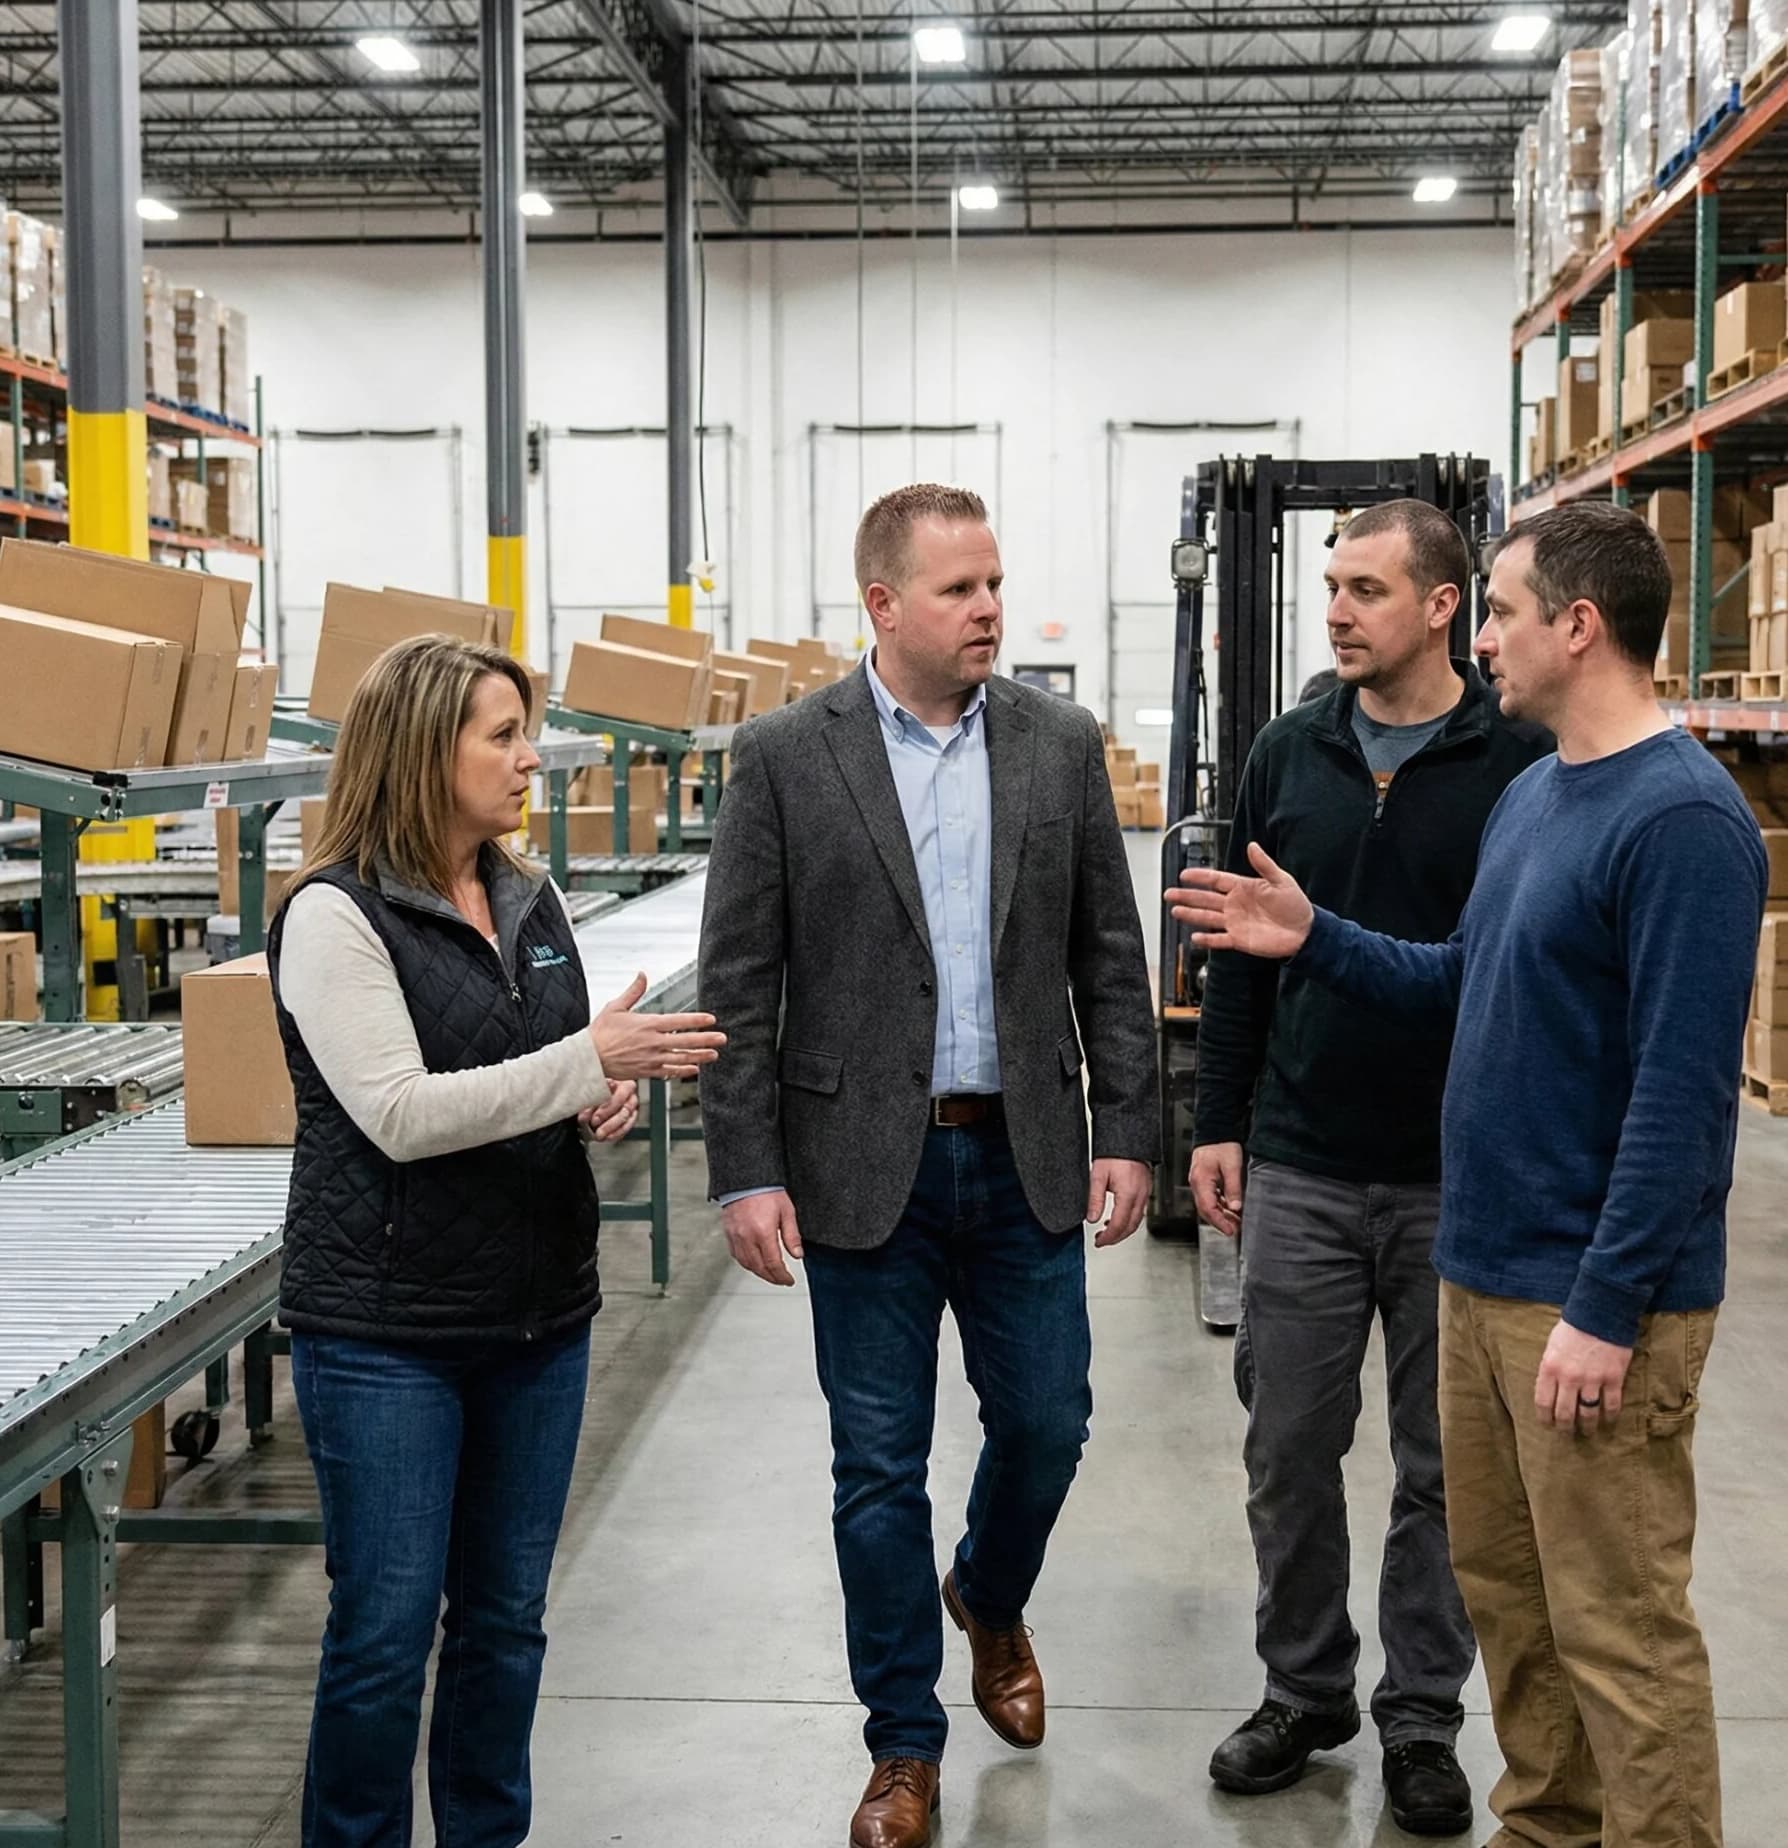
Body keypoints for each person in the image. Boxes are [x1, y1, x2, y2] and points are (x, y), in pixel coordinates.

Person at [1168, 500, 1765, 1848]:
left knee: (1617, 1628)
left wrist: (1607, 1307)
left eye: (1498, 609)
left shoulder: (1681, 823)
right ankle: (1547, 1826)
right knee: (1513, 1605)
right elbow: (1459, 982)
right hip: (1483, 1275)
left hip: (1587, 1300)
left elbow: (1681, 1106)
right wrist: (1314, 936)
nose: (1482, 634)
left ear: (1579, 625)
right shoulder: (1541, 792)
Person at [698, 484, 1159, 1848]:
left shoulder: (1059, 748)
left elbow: (1110, 964)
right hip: (858, 1174)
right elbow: (740, 978)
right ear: (884, 605)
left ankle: (990, 1592)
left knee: (1048, 1423)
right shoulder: (787, 755)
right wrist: (745, 1168)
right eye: (962, 590)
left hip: (1023, 1161)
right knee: (874, 1467)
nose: (991, 610)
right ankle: (903, 1744)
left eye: (998, 584)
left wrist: (1128, 1129)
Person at [267, 633, 727, 1848]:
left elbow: (536, 1070)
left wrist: (597, 1097)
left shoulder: (527, 895)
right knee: (384, 1631)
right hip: (386, 1332)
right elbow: (402, 1115)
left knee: (506, 1621)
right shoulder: (334, 914)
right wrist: (587, 1060)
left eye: (527, 733)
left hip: (536, 1313)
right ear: (427, 749)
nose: (531, 760)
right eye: (502, 736)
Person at [1191, 501, 1550, 1833]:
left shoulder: (1515, 756)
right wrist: (1217, 1122)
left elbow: (1513, 980)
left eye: (1366, 589)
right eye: (1330, 586)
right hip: (1301, 1161)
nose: (1336, 610)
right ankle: (1304, 1690)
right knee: (1287, 1444)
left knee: (1442, 1465)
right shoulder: (1288, 750)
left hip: (1460, 1171)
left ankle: (1419, 1713)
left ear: (1444, 603)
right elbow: (1236, 948)